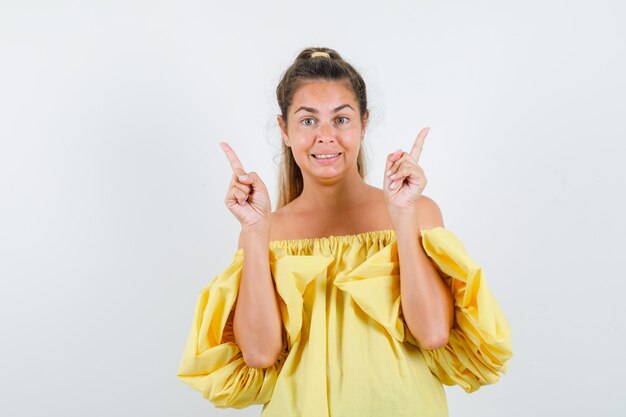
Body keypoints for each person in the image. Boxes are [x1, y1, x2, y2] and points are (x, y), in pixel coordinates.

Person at [177, 47, 513, 417]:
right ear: (284, 130)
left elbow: (433, 334)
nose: (325, 136)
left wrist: (402, 217)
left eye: (341, 119)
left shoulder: (416, 212)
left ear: (363, 124)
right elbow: (259, 355)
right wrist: (256, 231)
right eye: (307, 121)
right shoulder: (265, 232)